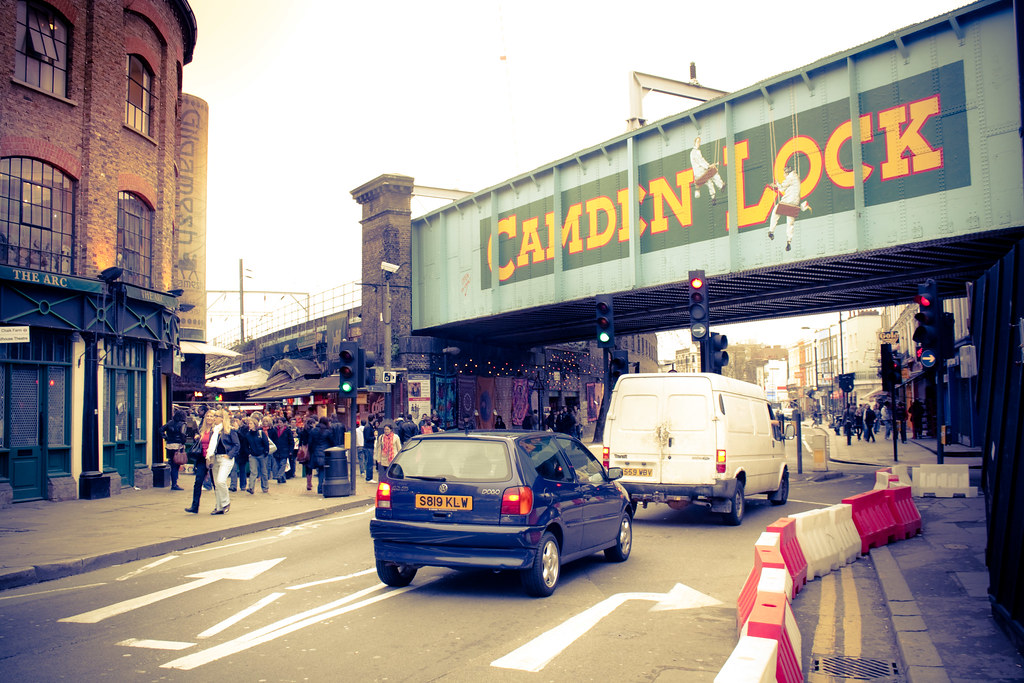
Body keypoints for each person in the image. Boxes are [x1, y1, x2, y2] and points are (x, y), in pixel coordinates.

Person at [767, 163, 812, 252]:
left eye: (784, 173)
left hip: (788, 202)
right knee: (790, 223)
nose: (784, 175)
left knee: (775, 212)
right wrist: (778, 185)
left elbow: (782, 187)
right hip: (795, 203)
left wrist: (775, 185)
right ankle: (789, 241)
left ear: (787, 172)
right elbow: (784, 188)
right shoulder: (796, 177)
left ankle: (771, 231)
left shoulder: (791, 177)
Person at [185, 411, 219, 514]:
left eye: (211, 416)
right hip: (202, 458)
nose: (209, 418)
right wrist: (197, 438)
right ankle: (194, 506)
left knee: (216, 483)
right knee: (198, 481)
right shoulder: (202, 429)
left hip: (212, 459)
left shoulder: (216, 430)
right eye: (207, 416)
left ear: (214, 418)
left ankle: (220, 505)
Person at [209, 410, 240, 515]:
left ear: (222, 418)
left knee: (220, 481)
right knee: (216, 484)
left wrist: (229, 455)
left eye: (216, 416)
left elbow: (236, 445)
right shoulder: (214, 430)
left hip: (225, 458)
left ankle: (225, 502)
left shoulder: (229, 430)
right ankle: (219, 507)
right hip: (215, 458)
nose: (214, 418)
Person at [690, 135, 724, 204]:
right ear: (695, 143)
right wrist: (708, 166)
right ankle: (721, 185)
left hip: (697, 175)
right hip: (701, 172)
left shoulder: (693, 152)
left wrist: (708, 166)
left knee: (709, 182)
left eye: (699, 142)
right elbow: (701, 161)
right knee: (714, 172)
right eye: (698, 142)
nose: (699, 143)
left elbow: (701, 161)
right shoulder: (695, 152)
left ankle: (713, 197)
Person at [160, 409, 188, 491]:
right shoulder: (183, 424)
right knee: (176, 466)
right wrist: (183, 442)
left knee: (172, 464)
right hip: (178, 446)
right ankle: (174, 484)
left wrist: (165, 437)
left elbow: (161, 429)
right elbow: (182, 434)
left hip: (169, 446)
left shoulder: (170, 423)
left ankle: (174, 483)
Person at [243, 416, 271, 493]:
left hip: (262, 455)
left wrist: (265, 452)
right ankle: (251, 487)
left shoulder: (260, 433)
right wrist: (249, 453)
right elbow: (246, 445)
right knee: (253, 472)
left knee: (264, 471)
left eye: (251, 423)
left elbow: (266, 443)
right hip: (253, 455)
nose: (249, 425)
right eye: (249, 424)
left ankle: (265, 487)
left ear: (255, 424)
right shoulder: (248, 435)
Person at [307, 416, 332, 494]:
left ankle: (320, 487)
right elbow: (332, 442)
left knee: (320, 470)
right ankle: (321, 488)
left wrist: (311, 452)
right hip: (325, 453)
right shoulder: (328, 432)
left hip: (315, 454)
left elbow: (310, 443)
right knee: (322, 471)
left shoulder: (313, 431)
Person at [229, 415, 250, 493]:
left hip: (242, 451)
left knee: (242, 469)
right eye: (234, 421)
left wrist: (237, 430)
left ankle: (243, 485)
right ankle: (233, 486)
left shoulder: (245, 428)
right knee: (233, 468)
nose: (235, 422)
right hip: (234, 451)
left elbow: (244, 438)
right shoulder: (231, 428)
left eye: (237, 420)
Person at [270, 417, 293, 484]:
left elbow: (291, 441)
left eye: (281, 422)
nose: (279, 424)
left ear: (284, 423)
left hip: (285, 450)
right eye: (278, 422)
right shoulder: (275, 430)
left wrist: (291, 450)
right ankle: (283, 479)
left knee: (282, 464)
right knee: (277, 465)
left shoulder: (288, 431)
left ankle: (279, 476)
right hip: (276, 450)